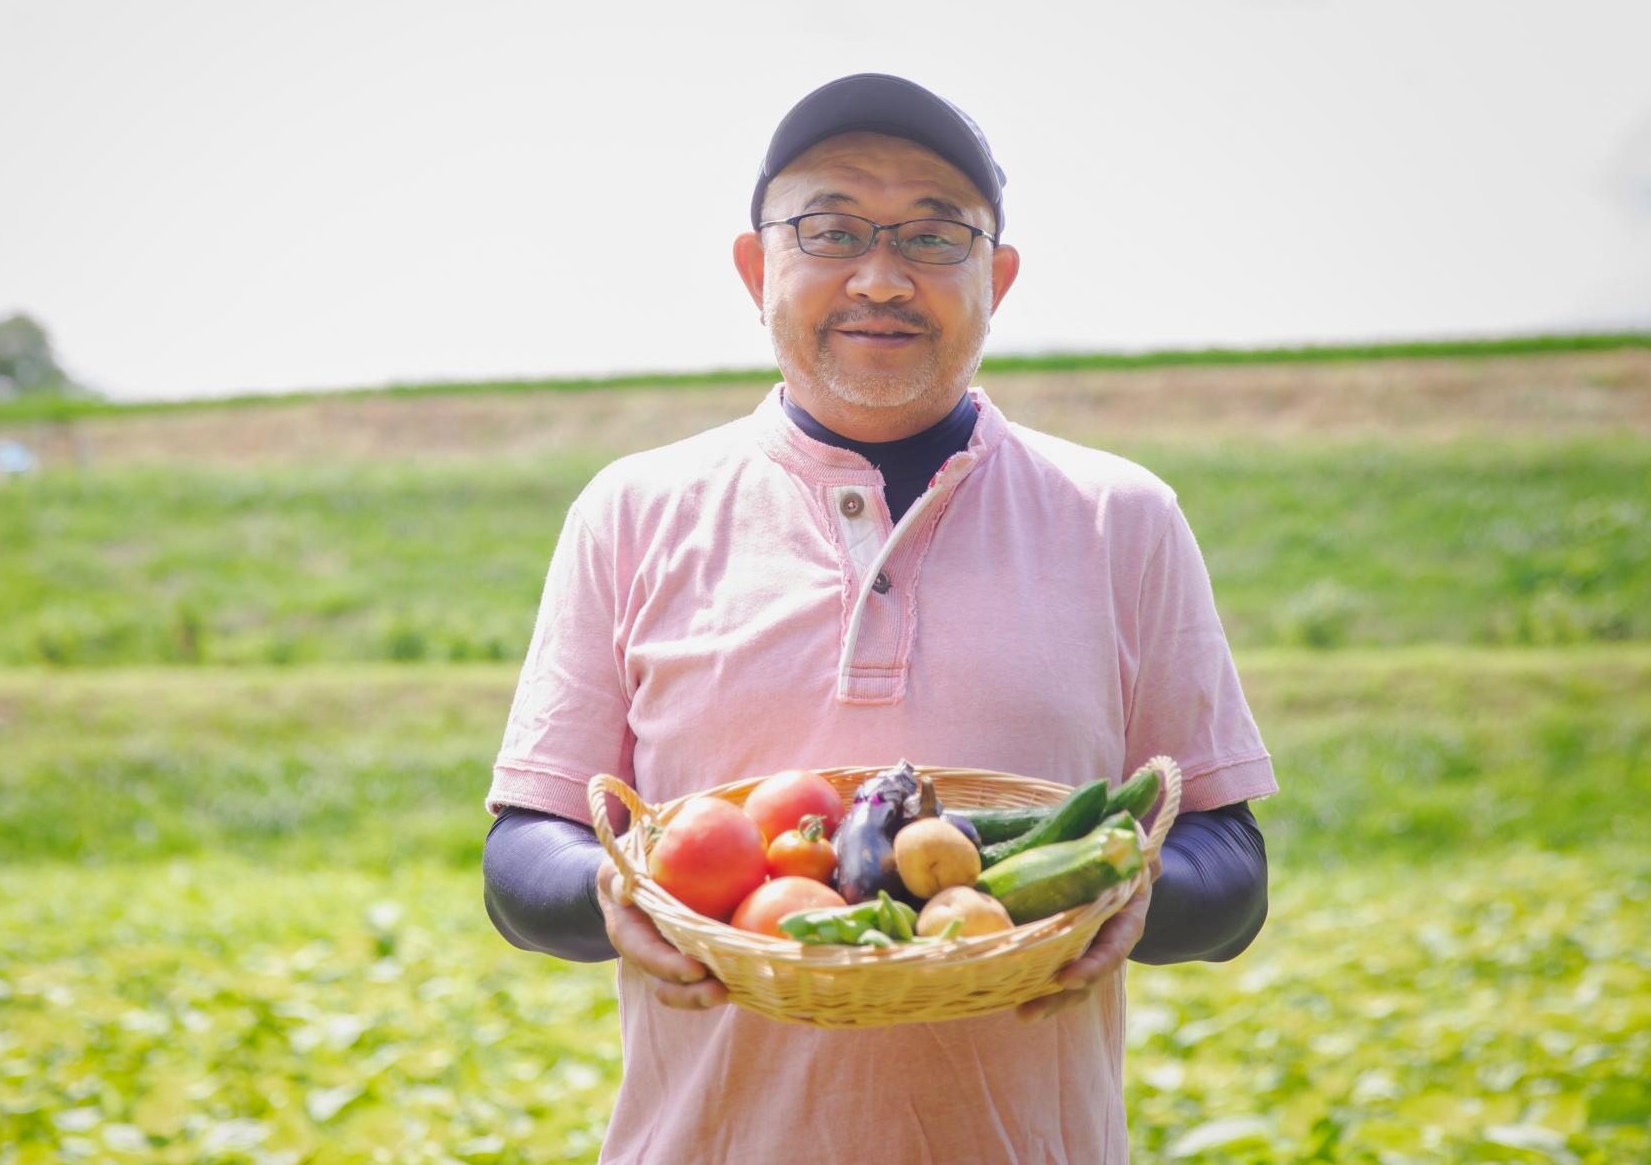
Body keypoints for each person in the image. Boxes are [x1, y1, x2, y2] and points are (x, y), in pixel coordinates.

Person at [483, 73, 1277, 1163]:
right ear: (756, 268)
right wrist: (616, 891)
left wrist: (1128, 888)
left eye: (934, 237)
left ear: (997, 278)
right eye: (832, 229)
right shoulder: (632, 511)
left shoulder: (1121, 517)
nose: (880, 276)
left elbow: (1229, 864)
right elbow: (523, 852)